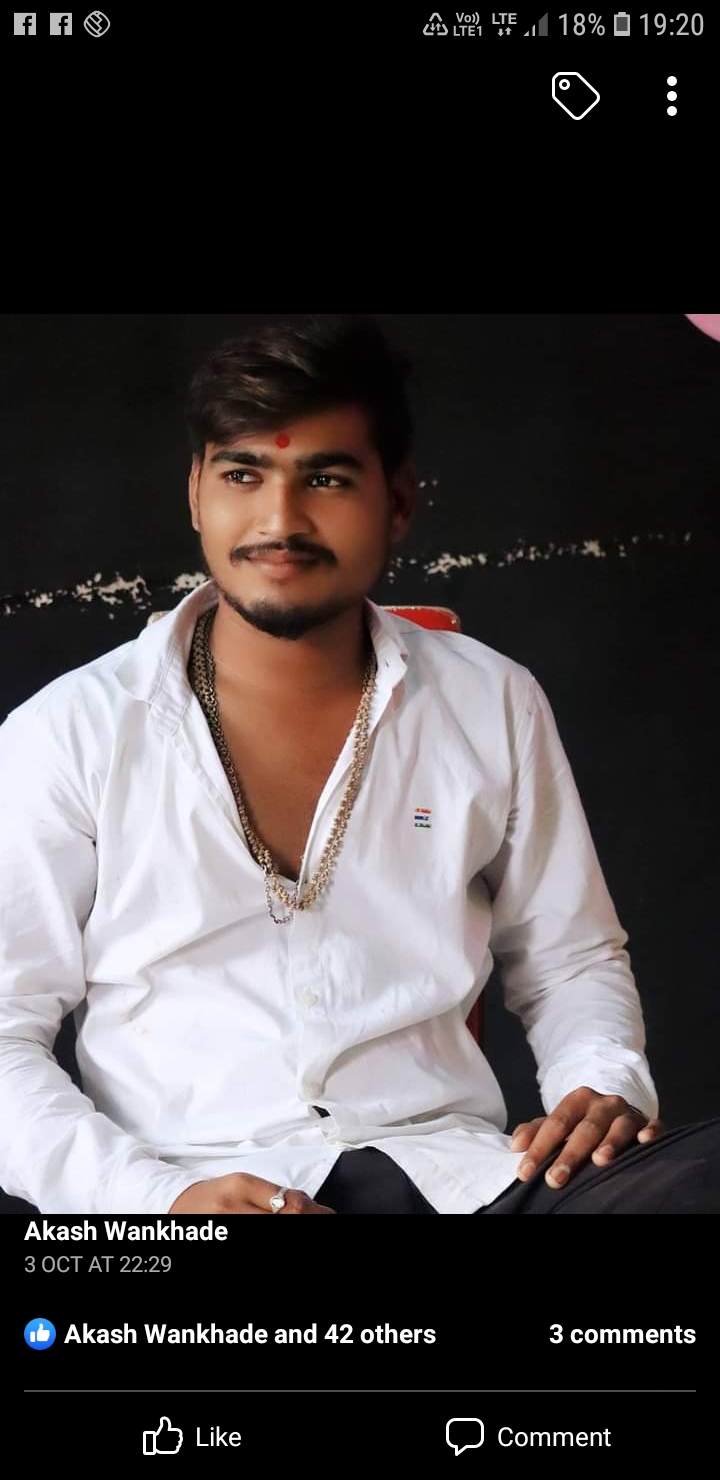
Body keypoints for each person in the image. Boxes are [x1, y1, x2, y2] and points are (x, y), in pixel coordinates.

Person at [1, 314, 718, 1214]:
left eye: (326, 478)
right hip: (192, 1184)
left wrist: (600, 1086)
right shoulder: (72, 730)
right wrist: (150, 1200)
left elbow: (570, 958)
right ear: (195, 494)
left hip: (465, 1181)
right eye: (242, 475)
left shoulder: (489, 699)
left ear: (399, 500)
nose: (280, 522)